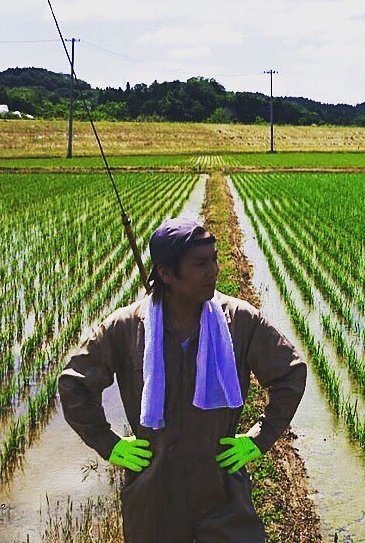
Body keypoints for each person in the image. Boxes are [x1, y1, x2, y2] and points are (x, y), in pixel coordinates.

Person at [59, 217, 307, 543]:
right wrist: (110, 444)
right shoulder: (126, 327)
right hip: (154, 493)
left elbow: (290, 372)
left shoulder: (239, 320)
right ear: (166, 274)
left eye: (215, 259)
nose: (214, 270)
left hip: (221, 489)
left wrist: (258, 438)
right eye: (200, 263)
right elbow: (74, 383)